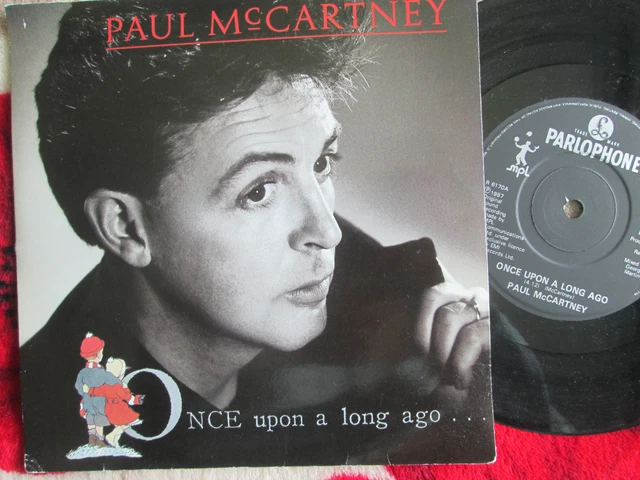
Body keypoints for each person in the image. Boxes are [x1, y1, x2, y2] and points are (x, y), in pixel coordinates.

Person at [19, 0, 492, 471]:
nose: (327, 231)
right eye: (258, 191)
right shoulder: (65, 438)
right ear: (126, 228)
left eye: (321, 163)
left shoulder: (393, 301)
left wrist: (481, 383)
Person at [83, 358, 144, 448]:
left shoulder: (105, 384)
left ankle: (114, 440)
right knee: (125, 423)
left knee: (121, 424)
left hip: (109, 408)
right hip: (116, 409)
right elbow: (126, 397)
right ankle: (111, 436)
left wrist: (89, 390)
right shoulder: (117, 386)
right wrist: (135, 398)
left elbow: (97, 391)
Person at [74, 333, 121, 447]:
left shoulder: (83, 372)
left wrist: (84, 392)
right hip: (99, 402)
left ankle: (92, 439)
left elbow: (78, 386)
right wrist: (120, 383)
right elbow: (111, 380)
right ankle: (99, 441)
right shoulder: (100, 372)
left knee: (91, 420)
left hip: (87, 402)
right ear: (98, 354)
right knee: (99, 422)